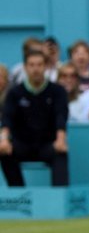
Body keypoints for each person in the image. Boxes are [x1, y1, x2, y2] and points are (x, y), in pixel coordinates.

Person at [0, 49, 69, 187]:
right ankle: (19, 196)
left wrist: (61, 140)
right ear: (25, 67)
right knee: (5, 153)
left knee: (60, 154)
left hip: (48, 144)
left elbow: (61, 116)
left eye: (39, 65)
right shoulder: (15, 92)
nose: (35, 69)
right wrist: (4, 140)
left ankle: (60, 200)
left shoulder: (57, 91)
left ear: (46, 67)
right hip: (22, 144)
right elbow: (7, 119)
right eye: (31, 65)